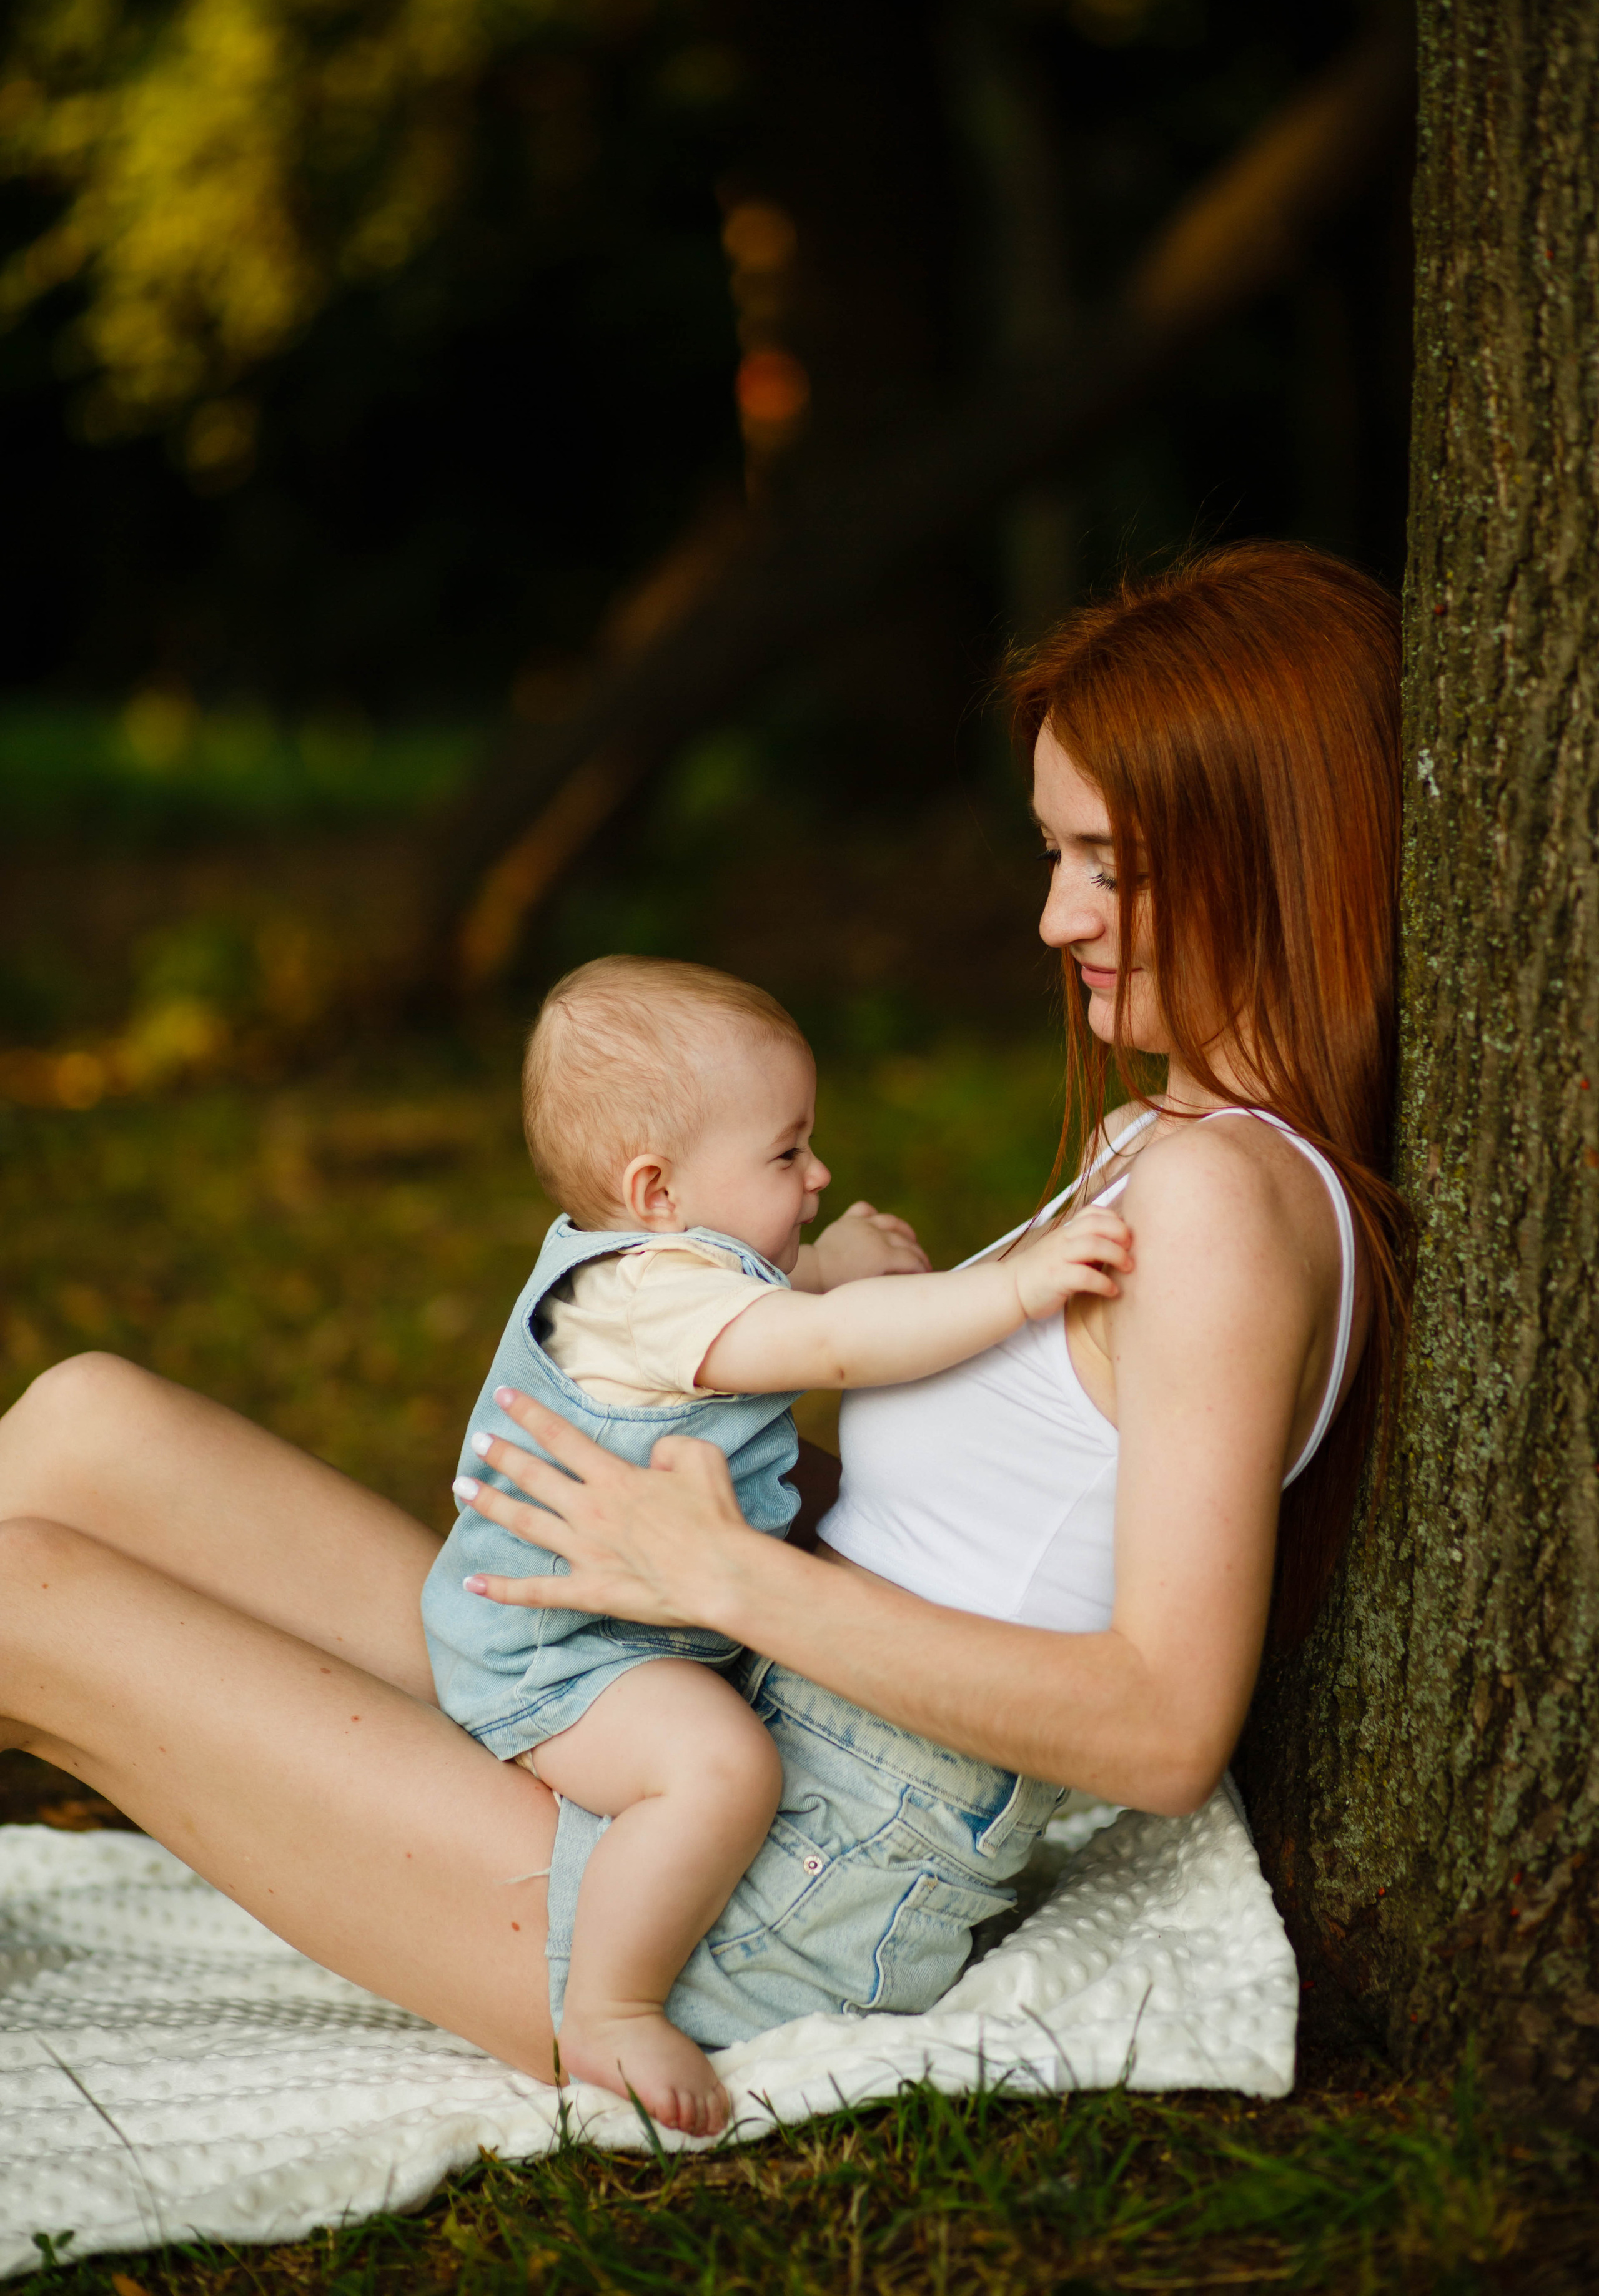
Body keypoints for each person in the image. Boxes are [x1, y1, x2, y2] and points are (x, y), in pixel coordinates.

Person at [0, 541, 1410, 2119]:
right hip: (702, 1705)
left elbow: (1157, 1725)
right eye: (1051, 854)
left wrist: (722, 1573)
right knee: (83, 1424)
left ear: (1270, 846)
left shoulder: (1227, 1203)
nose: (1049, 918)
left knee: (19, 1593)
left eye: (1101, 861)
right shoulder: (1159, 1142)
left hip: (766, 1890)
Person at [423, 951, 1132, 2131]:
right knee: (722, 1770)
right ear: (656, 1191)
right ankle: (611, 2008)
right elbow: (837, 1343)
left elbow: (791, 1293)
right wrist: (1017, 1288)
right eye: (787, 1154)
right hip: (559, 1658)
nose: (819, 1173)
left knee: (723, 1748)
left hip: (597, 1622)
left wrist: (830, 1257)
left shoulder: (677, 1265)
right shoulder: (643, 1300)